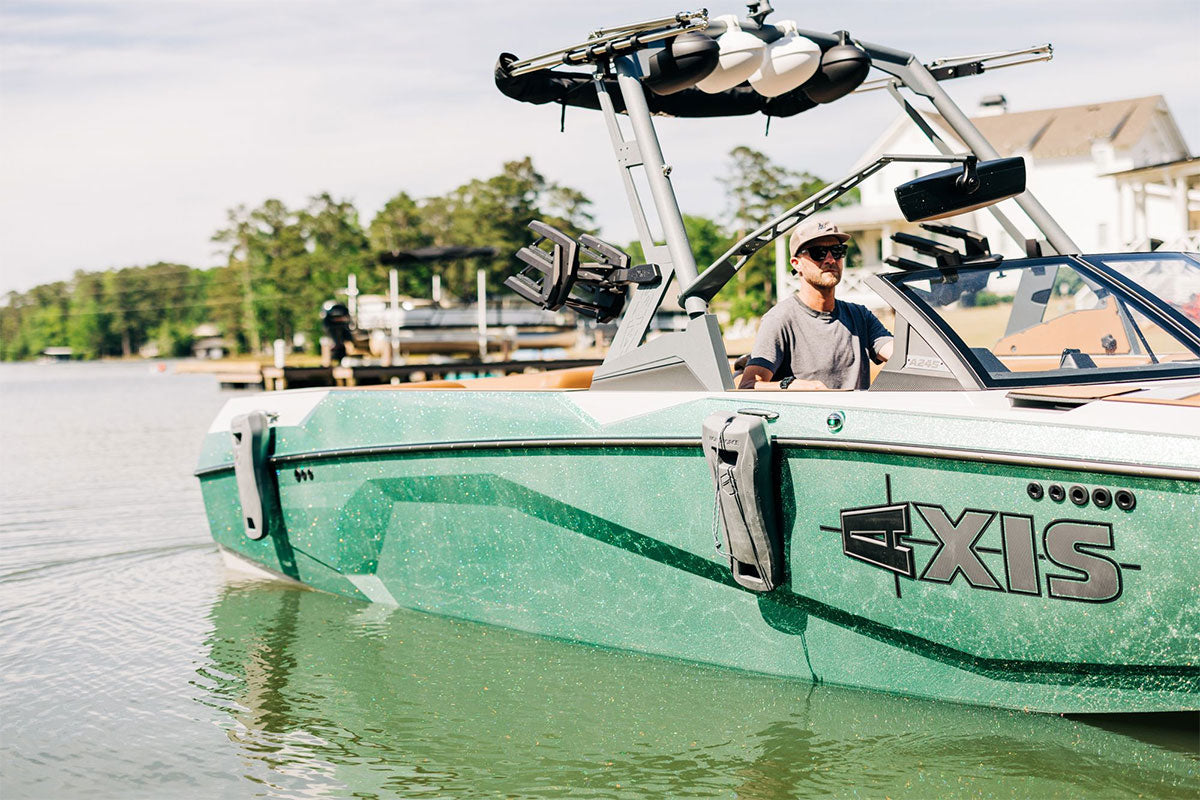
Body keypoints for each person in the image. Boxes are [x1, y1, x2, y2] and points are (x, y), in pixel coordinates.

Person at [738, 219, 893, 391]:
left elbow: (899, 354)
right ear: (796, 264)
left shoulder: (860, 316)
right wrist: (791, 385)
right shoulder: (779, 319)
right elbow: (748, 385)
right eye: (818, 252)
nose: (830, 259)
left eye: (837, 251)